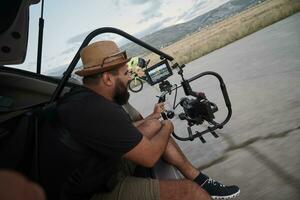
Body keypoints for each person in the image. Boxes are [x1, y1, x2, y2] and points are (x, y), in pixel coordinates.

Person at [39, 40, 239, 200]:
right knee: (189, 192)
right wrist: (168, 125)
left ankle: (201, 180)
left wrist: (154, 118)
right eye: (126, 74)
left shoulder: (85, 100)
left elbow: (117, 132)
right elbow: (149, 156)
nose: (130, 79)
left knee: (156, 127)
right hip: (87, 192)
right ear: (108, 78)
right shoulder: (98, 110)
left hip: (96, 168)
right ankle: (198, 187)